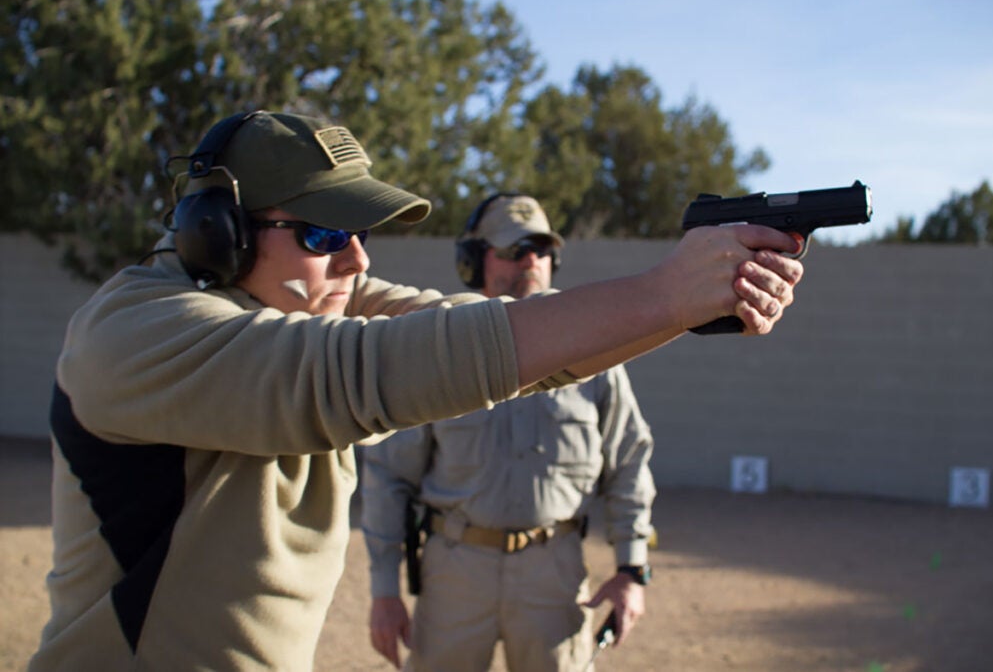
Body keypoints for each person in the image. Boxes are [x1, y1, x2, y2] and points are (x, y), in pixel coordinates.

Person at [30, 110, 803, 671]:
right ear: (219, 231)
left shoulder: (305, 292)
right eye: (325, 234)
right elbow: (381, 369)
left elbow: (506, 342)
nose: (357, 260)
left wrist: (699, 298)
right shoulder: (137, 331)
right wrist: (665, 292)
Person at [360, 193, 656, 671]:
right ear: (473, 262)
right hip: (455, 575)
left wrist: (631, 569)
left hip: (555, 576)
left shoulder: (595, 357)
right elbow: (388, 474)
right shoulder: (440, 351)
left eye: (541, 249)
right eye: (514, 249)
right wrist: (384, 591)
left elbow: (628, 462)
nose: (531, 261)